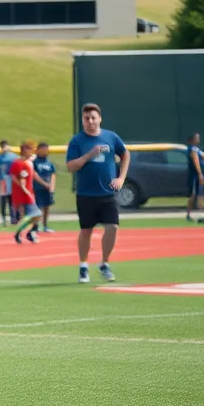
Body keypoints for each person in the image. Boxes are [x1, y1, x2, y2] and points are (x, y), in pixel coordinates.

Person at [65, 103, 129, 284]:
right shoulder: (77, 141)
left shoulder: (110, 137)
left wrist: (121, 178)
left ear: (100, 118)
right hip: (86, 193)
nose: (90, 121)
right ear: (83, 121)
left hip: (107, 192)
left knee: (113, 227)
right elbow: (71, 166)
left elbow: (125, 154)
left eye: (93, 118)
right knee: (86, 230)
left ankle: (104, 263)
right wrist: (89, 155)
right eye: (87, 118)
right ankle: (83, 266)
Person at [9, 141, 42, 244]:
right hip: (23, 192)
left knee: (34, 215)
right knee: (35, 213)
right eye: (29, 150)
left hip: (29, 191)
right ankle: (21, 232)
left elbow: (30, 172)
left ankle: (28, 232)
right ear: (24, 150)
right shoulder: (18, 163)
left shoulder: (28, 162)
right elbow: (14, 177)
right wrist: (22, 187)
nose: (31, 152)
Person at [186, 133, 204, 223]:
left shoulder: (196, 149)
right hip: (195, 175)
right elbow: (196, 161)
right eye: (197, 138)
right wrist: (200, 174)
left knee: (198, 195)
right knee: (196, 195)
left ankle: (194, 214)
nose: (198, 139)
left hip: (197, 175)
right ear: (192, 139)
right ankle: (197, 215)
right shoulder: (192, 149)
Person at [33, 142, 57, 233]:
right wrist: (44, 184)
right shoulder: (35, 162)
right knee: (38, 208)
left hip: (47, 189)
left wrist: (51, 187)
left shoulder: (49, 163)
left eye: (46, 150)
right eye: (43, 149)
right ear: (38, 150)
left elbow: (53, 174)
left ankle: (45, 226)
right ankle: (36, 226)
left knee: (47, 207)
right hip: (38, 188)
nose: (45, 151)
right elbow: (34, 175)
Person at [0, 140, 16, 225]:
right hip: (2, 181)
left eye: (5, 146)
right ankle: (3, 218)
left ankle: (13, 218)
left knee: (11, 200)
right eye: (2, 147)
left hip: (11, 180)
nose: (4, 148)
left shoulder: (13, 157)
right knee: (3, 201)